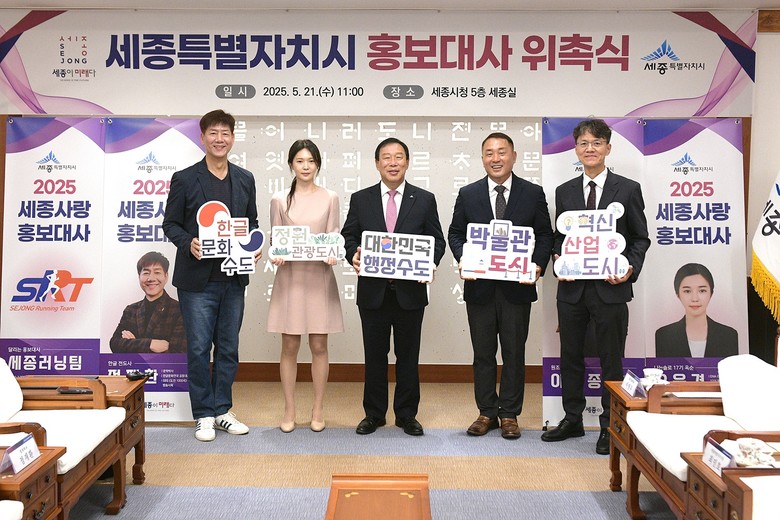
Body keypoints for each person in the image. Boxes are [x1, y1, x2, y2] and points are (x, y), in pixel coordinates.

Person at [541, 119, 651, 455]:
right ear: (576, 149)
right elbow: (560, 237)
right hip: (572, 289)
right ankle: (572, 419)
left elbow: (640, 238)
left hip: (611, 288)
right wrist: (559, 258)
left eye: (596, 143)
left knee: (611, 360)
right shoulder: (565, 191)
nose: (590, 149)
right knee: (570, 356)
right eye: (583, 143)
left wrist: (629, 268)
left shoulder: (627, 189)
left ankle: (609, 424)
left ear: (608, 148)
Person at [162, 109, 261, 442]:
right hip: (197, 282)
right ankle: (203, 414)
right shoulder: (185, 178)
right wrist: (187, 242)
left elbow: (251, 223)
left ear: (233, 138)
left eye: (225, 133)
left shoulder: (245, 178)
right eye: (213, 133)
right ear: (202, 137)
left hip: (233, 278)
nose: (220, 139)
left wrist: (254, 245)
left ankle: (222, 410)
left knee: (229, 348)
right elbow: (170, 223)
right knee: (199, 348)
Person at [448, 132, 554, 440]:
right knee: (483, 353)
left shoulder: (532, 193)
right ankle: (486, 412)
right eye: (489, 153)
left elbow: (544, 235)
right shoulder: (468, 194)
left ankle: (509, 413)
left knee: (514, 353)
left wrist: (537, 264)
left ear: (514, 156)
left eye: (502, 152)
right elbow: (456, 233)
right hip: (480, 287)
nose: (496, 158)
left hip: (517, 288)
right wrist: (464, 258)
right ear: (483, 158)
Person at [341, 137, 446, 436]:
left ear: (407, 162)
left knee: (408, 357)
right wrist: (352, 255)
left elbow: (437, 240)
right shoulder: (361, 199)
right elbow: (349, 237)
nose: (393, 163)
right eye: (386, 157)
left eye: (399, 157)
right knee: (374, 357)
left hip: (410, 293)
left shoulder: (424, 199)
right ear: (377, 164)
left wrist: (429, 262)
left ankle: (407, 414)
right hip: (372, 292)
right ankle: (374, 414)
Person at [267, 139, 343, 433]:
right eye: (300, 161)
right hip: (291, 279)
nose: (306, 166)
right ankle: (289, 408)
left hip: (319, 277)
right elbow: (275, 239)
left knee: (319, 345)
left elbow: (333, 235)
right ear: (291, 165)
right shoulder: (279, 199)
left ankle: (318, 408)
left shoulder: (330, 197)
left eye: (311, 161)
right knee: (289, 345)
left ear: (318, 164)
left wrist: (333, 253)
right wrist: (276, 254)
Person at [109, 251, 186, 354]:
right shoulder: (131, 310)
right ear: (139, 276)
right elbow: (114, 344)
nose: (151, 279)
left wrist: (133, 343)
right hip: (133, 365)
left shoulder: (180, 310)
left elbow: (178, 351)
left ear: (166, 276)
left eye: (157, 272)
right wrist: (150, 344)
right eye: (146, 273)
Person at [655, 263, 738, 358]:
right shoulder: (664, 335)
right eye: (687, 291)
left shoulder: (729, 335)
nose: (695, 299)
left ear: (711, 293)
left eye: (702, 291)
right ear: (678, 295)